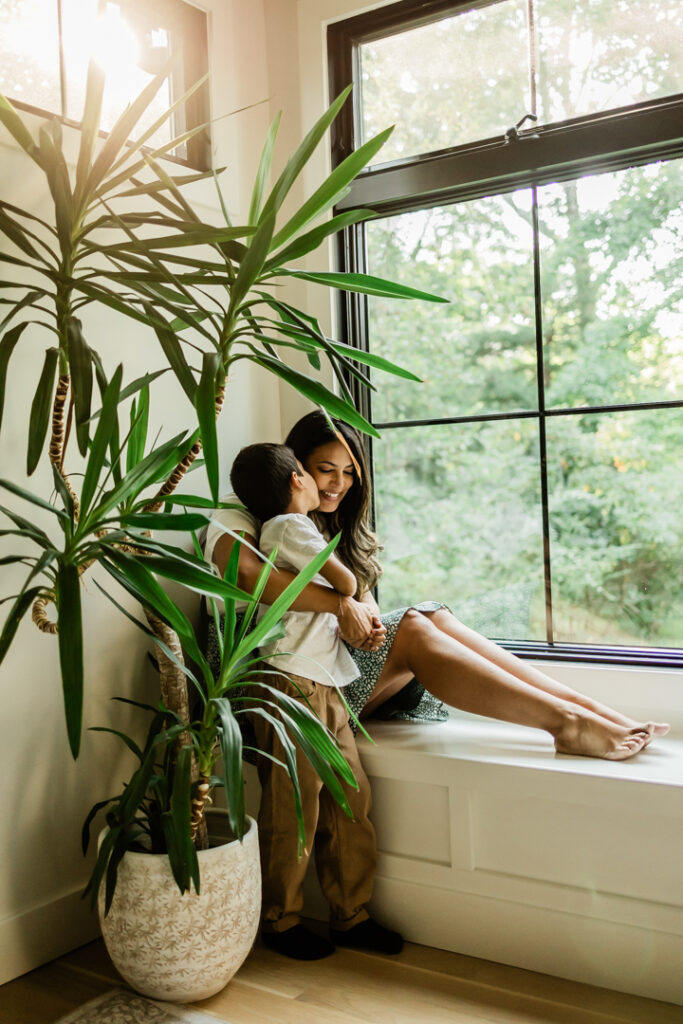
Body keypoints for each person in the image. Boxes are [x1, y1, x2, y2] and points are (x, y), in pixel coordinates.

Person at [206, 411, 669, 767]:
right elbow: (246, 574)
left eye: (349, 474)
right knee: (413, 630)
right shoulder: (247, 507)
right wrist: (340, 604)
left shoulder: (321, 524)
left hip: (325, 667)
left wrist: (362, 623)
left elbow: (362, 609)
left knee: (431, 616)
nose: (337, 485)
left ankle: (588, 711)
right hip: (264, 687)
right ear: (294, 469)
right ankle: (566, 725)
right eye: (325, 469)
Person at [225, 442, 403, 961]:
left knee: (351, 796)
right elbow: (345, 580)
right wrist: (348, 589)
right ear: (296, 479)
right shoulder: (287, 528)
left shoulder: (297, 531)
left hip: (321, 681)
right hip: (289, 683)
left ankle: (351, 913)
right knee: (292, 805)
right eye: (315, 470)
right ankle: (280, 920)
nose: (330, 483)